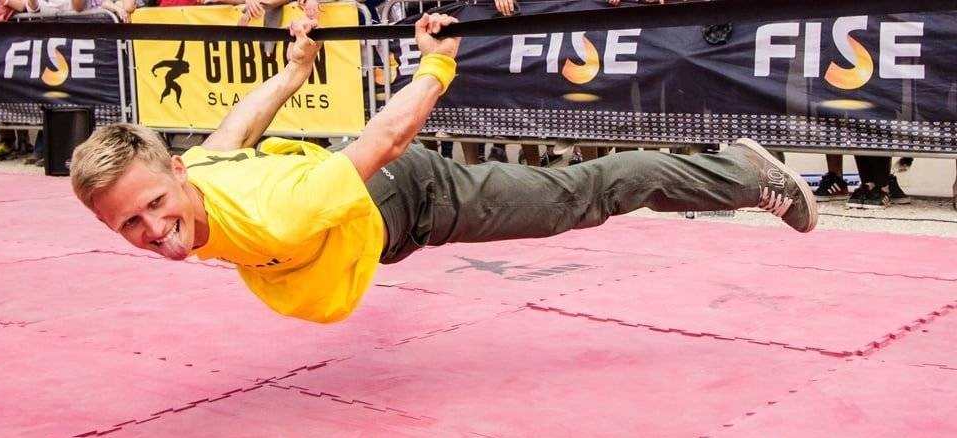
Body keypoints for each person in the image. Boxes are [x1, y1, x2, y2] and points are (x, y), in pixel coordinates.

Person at [70, 14, 818, 324]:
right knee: (579, 194)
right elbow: (233, 130)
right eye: (129, 222)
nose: (153, 229)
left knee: (584, 193)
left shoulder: (279, 206)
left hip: (411, 194)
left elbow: (385, 141)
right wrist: (295, 71)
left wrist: (437, 64)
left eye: (154, 205)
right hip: (372, 218)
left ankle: (744, 173)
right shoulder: (195, 170)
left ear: (173, 174)